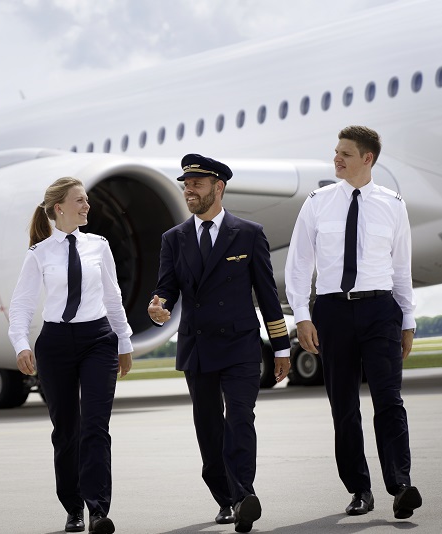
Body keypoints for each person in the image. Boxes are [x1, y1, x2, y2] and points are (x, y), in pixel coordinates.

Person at [148, 154, 291, 534]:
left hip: (241, 345)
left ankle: (244, 495)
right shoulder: (173, 239)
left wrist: (280, 347)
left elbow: (267, 293)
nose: (188, 190)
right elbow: (166, 289)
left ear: (218, 187)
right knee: (209, 427)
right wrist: (158, 306)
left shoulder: (248, 233)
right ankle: (225, 498)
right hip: (198, 347)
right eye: (186, 183)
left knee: (241, 418)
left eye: (196, 183)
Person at [284, 125, 422, 520]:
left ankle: (401, 485)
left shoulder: (393, 205)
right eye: (335, 151)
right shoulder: (316, 202)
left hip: (381, 311)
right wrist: (304, 315)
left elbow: (401, 271)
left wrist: (407, 321)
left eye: (345, 153)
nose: (336, 158)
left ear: (368, 158)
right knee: (343, 405)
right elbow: (298, 267)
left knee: (389, 401)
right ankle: (360, 489)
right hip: (333, 312)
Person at [8, 177, 133, 534]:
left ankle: (98, 511)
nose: (87, 206)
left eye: (87, 200)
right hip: (56, 345)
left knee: (95, 427)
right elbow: (21, 305)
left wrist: (123, 341)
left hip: (98, 340)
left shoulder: (100, 246)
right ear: (59, 207)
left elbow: (113, 297)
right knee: (66, 431)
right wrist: (21, 343)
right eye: (80, 200)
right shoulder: (39, 253)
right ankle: (72, 507)